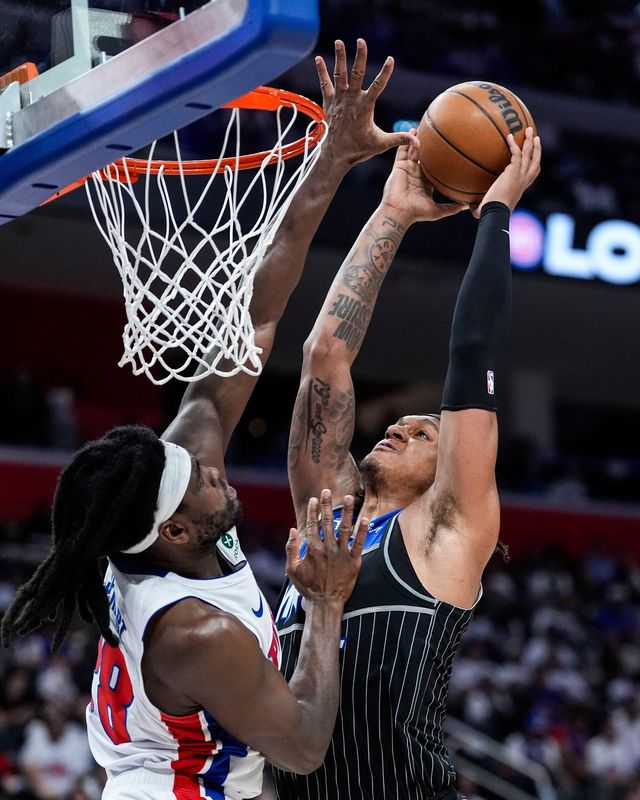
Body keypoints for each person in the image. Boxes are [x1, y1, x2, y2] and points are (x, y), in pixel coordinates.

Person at [0, 40, 417, 800]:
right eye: (195, 481)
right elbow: (301, 746)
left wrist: (333, 156)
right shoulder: (194, 631)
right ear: (177, 534)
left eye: (191, 461)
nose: (207, 460)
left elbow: (254, 320)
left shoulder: (168, 499)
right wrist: (325, 604)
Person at [274, 115, 542, 800]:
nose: (398, 426)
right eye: (399, 423)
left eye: (424, 433)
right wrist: (393, 212)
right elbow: (324, 356)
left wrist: (496, 213)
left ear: (446, 468)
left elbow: (472, 352)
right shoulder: (330, 517)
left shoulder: (444, 531)